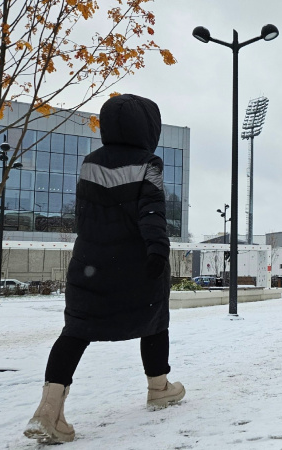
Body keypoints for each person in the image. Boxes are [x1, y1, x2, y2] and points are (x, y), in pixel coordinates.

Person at [24, 94, 185, 444]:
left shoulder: (89, 163)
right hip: (134, 261)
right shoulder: (149, 163)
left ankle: (48, 411)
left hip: (90, 263)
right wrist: (157, 251)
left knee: (76, 331)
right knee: (155, 320)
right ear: (148, 127)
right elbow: (152, 212)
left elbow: (86, 216)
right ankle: (159, 387)